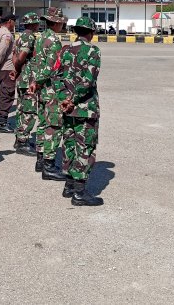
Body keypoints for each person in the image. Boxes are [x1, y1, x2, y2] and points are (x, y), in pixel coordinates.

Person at [57, 17, 104, 206]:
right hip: (85, 108)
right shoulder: (93, 50)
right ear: (91, 33)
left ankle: (68, 185)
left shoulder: (66, 50)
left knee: (69, 144)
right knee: (85, 147)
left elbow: (57, 76)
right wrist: (73, 99)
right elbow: (88, 81)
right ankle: (79, 192)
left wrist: (64, 100)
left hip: (67, 108)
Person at [27, 6, 67, 180]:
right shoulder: (54, 41)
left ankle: (40, 159)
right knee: (54, 126)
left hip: (41, 88)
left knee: (42, 123)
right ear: (56, 23)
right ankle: (49, 166)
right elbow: (52, 68)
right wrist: (39, 81)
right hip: (50, 88)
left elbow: (35, 62)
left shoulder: (40, 37)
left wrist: (34, 82)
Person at [13, 12, 40, 156]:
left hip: (23, 78)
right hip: (29, 79)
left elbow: (14, 56)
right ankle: (22, 142)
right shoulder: (29, 37)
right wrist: (19, 67)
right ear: (33, 24)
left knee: (21, 109)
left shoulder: (21, 36)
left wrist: (17, 70)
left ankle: (19, 139)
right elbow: (21, 57)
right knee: (28, 111)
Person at [0, 13, 17, 133]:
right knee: (7, 94)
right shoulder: (6, 34)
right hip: (6, 67)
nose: (15, 24)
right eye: (14, 21)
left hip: (0, 67)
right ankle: (2, 122)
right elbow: (1, 52)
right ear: (10, 21)